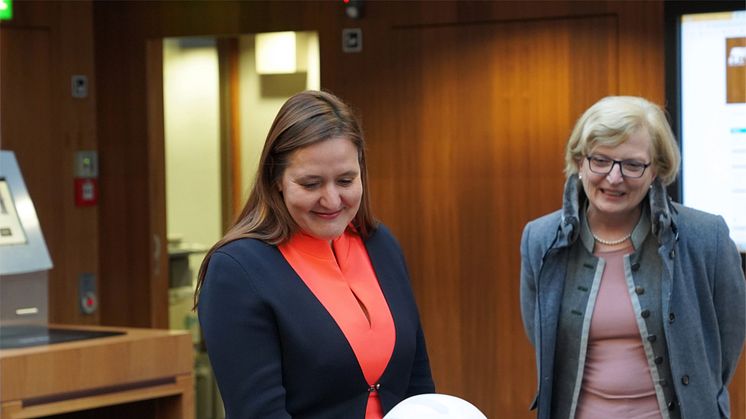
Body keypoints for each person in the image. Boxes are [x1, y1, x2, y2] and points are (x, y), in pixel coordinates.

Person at [195, 90, 435, 419]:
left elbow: (419, 388)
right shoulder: (238, 270)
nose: (332, 200)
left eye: (346, 180)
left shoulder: (380, 245)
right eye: (311, 184)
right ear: (275, 179)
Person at [520, 96, 745, 419]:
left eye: (632, 164)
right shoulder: (541, 240)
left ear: (657, 170)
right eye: (600, 160)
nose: (614, 178)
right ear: (580, 163)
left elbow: (723, 347)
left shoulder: (705, 237)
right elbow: (542, 337)